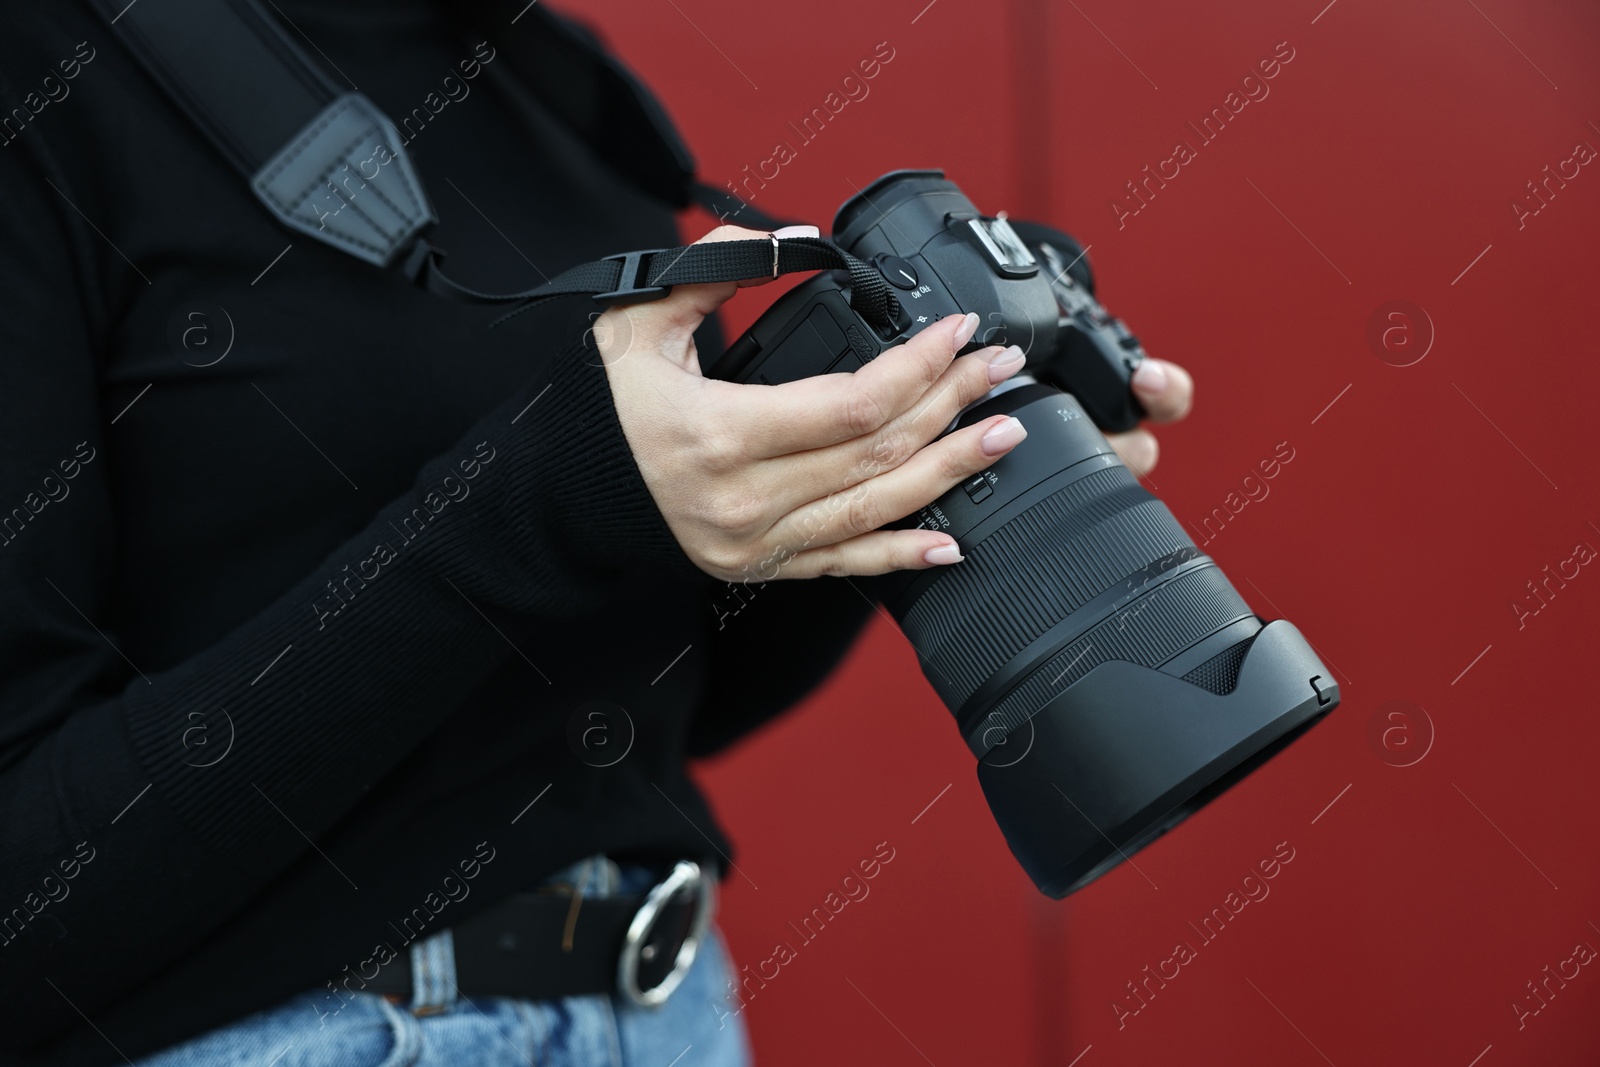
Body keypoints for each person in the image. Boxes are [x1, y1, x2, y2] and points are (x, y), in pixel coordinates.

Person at [0, 1, 1194, 1064]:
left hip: (663, 1011)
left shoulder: (540, 73)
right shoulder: (44, 71)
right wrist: (556, 495)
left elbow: (615, 710)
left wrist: (888, 455)